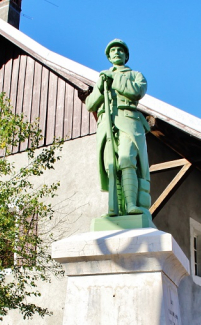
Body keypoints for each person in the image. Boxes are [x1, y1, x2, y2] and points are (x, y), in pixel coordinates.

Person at [85, 39, 151, 217]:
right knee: (110, 166)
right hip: (107, 123)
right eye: (112, 50)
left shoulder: (135, 75)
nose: (116, 53)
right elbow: (90, 104)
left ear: (126, 55)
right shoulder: (102, 77)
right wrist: (100, 87)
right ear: (108, 56)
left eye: (120, 50)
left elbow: (137, 91)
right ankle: (114, 208)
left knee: (126, 158)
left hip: (128, 120)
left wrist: (114, 80)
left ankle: (130, 205)